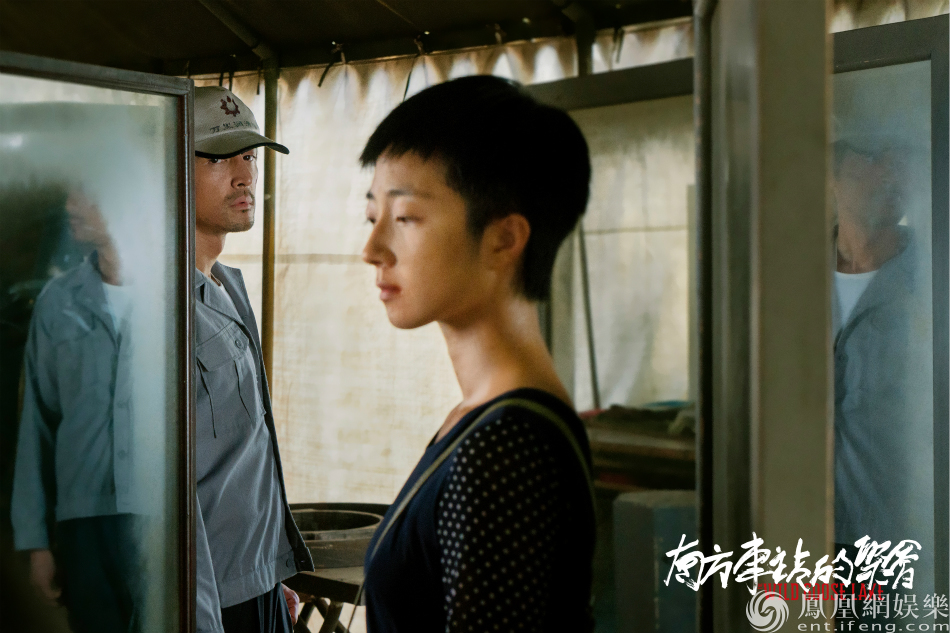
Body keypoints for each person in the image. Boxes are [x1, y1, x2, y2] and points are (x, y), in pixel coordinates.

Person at [358, 76, 596, 632]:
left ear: (504, 239)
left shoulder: (506, 445)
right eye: (372, 218)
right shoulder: (480, 420)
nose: (372, 250)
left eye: (406, 218)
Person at [191, 86, 312, 633]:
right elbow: (162, 488)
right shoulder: (161, 310)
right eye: (220, 158)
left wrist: (269, 571)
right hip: (207, 599)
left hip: (255, 582)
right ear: (173, 166)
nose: (245, 177)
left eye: (250, 156)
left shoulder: (227, 289)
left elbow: (243, 451)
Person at [11, 189, 146, 633]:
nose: (71, 206)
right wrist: (36, 543)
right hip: (82, 525)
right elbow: (37, 425)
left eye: (87, 194)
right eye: (72, 194)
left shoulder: (179, 292)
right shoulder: (57, 300)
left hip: (167, 519)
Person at [832, 139, 934, 609]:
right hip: (796, 529)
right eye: (873, 157)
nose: (891, 171)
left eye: (901, 160)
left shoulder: (934, 278)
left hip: (895, 539)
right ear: (832, 178)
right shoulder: (787, 275)